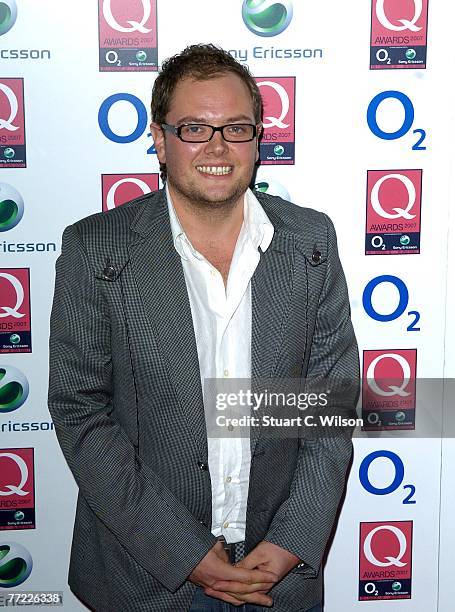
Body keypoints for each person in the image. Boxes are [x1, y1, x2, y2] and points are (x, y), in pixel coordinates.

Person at [48, 44, 359, 612]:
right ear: (160, 140)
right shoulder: (95, 250)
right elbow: (81, 413)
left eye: (236, 128)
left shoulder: (310, 243)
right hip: (143, 578)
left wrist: (292, 541)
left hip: (278, 577)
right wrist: (183, 550)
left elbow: (327, 407)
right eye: (195, 127)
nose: (217, 147)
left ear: (259, 139)